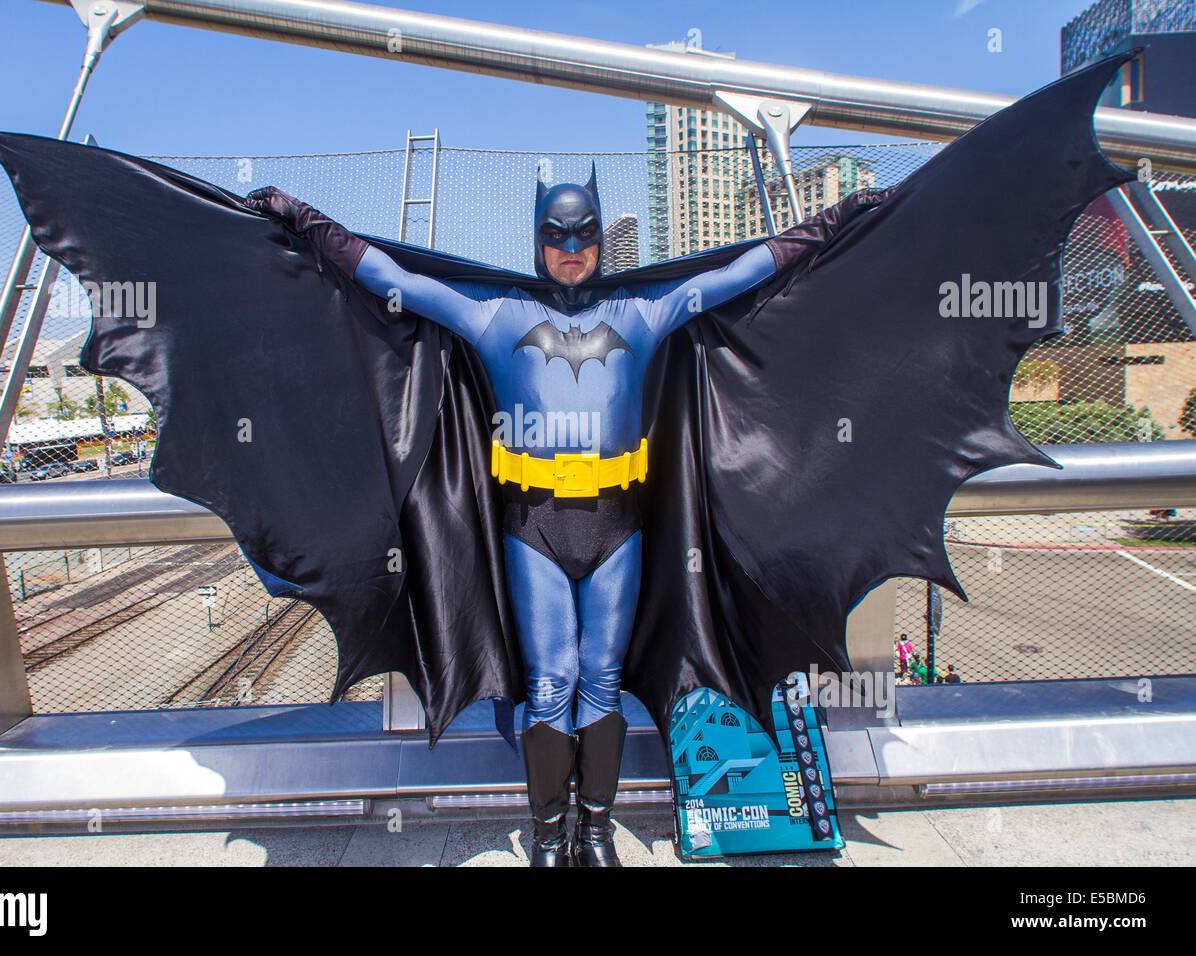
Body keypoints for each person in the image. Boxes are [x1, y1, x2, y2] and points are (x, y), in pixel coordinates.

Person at [244, 172, 881, 866]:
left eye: (584, 234)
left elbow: (745, 271)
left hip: (619, 525)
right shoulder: (498, 315)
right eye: (556, 235)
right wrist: (302, 218)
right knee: (551, 684)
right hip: (534, 527)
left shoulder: (643, 311)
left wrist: (839, 216)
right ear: (537, 238)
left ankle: (596, 830)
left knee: (600, 679)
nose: (571, 248)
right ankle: (551, 836)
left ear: (602, 236)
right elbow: (387, 276)